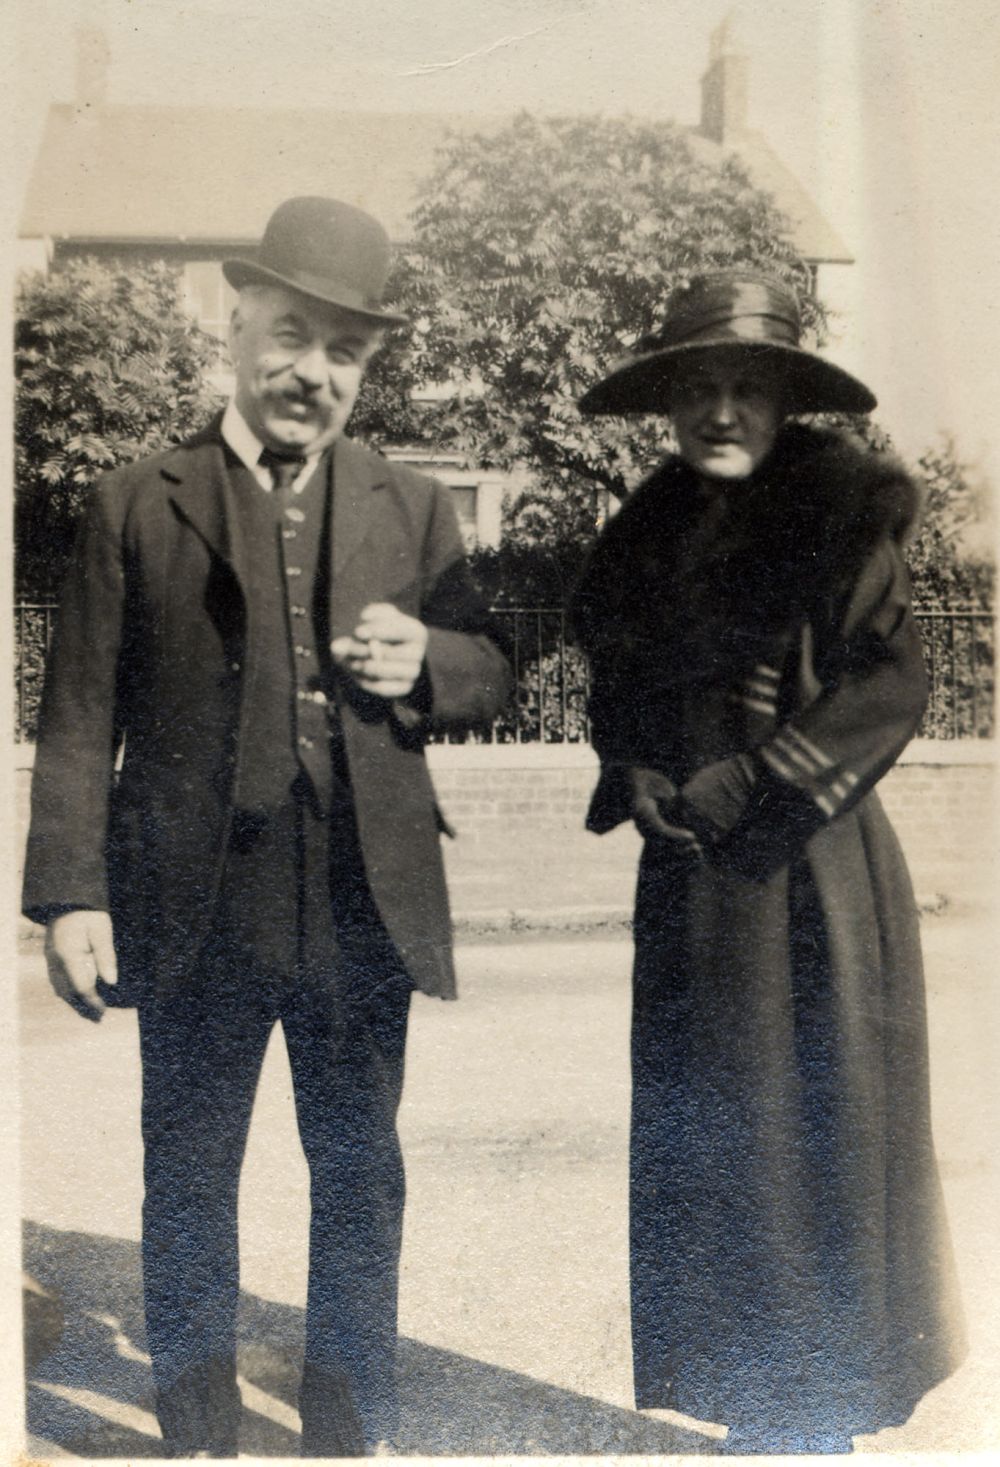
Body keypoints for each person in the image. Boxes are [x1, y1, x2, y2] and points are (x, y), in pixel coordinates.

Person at [22, 195, 512, 1458]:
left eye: (344, 352)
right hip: (190, 896)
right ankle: (195, 1432)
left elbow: (496, 665)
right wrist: (71, 895)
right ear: (238, 324)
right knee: (189, 1179)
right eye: (292, 335)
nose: (313, 373)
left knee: (360, 1175)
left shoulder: (413, 507)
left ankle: (346, 1430)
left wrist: (432, 660)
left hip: (360, 894)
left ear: (367, 367)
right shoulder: (138, 501)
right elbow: (77, 716)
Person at [572, 269, 966, 1453]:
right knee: (712, 1136)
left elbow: (889, 682)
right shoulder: (648, 529)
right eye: (699, 389)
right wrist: (637, 772)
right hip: (688, 874)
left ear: (786, 400)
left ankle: (819, 1420)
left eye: (749, 387)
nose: (723, 412)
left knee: (811, 1138)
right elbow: (620, 693)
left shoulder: (841, 510)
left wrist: (754, 777)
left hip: (809, 872)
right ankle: (748, 1412)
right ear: (671, 405)